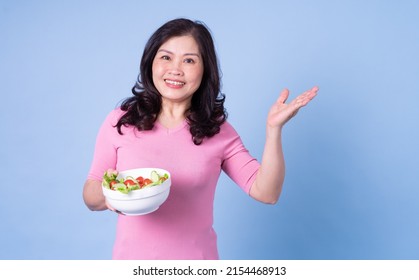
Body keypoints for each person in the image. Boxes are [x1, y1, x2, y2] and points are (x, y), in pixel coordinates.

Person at [83, 18, 318, 260]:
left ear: (205, 69)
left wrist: (273, 129)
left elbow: (267, 192)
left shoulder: (218, 131)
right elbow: (90, 193)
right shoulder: (121, 120)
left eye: (189, 60)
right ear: (150, 62)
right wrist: (115, 196)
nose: (175, 69)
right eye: (166, 57)